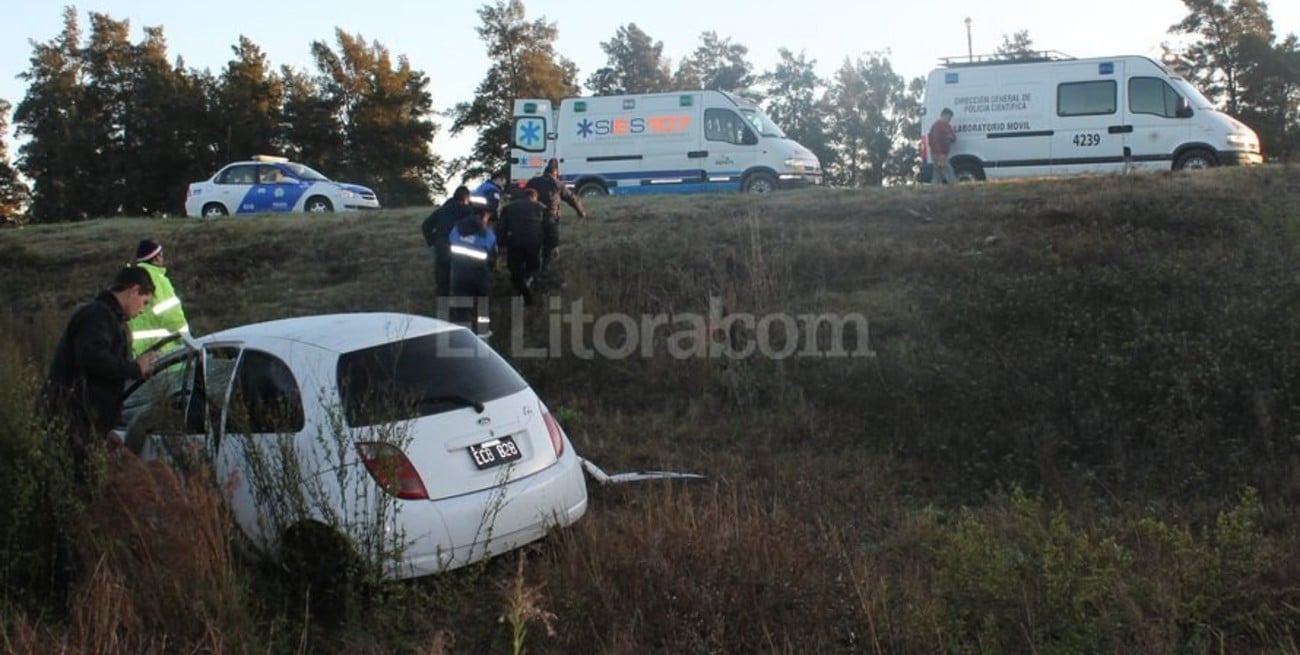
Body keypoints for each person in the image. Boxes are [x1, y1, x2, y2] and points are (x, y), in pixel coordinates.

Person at [41, 266, 158, 481]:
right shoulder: (98, 315)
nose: (143, 310)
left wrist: (103, 430)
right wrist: (134, 368)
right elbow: (92, 359)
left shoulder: (108, 317)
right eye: (144, 302)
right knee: (77, 486)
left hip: (82, 422)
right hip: (71, 420)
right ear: (133, 290)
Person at [128, 239, 190, 357]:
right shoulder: (158, 280)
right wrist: (189, 342)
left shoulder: (132, 280)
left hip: (140, 355)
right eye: (161, 255)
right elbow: (171, 316)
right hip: (166, 353)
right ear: (156, 258)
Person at [525, 158, 586, 275]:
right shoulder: (557, 183)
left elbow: (523, 197)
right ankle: (545, 269)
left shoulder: (533, 181)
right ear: (555, 172)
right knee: (549, 244)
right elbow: (571, 198)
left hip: (532, 218)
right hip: (550, 218)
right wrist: (581, 212)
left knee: (534, 244)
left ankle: (531, 271)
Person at [420, 186, 474, 313]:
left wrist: (432, 240)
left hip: (442, 246)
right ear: (466, 198)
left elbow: (426, 225)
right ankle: (460, 313)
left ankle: (443, 313)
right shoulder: (468, 210)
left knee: (442, 281)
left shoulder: (442, 210)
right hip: (460, 247)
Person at [447, 205, 498, 336]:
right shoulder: (487, 233)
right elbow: (493, 256)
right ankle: (483, 331)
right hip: (479, 275)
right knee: (483, 304)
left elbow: (450, 243)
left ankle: (463, 335)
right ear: (483, 216)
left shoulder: (457, 229)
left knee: (461, 306)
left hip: (458, 274)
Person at [496, 188, 547, 305]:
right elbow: (549, 227)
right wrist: (552, 244)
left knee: (514, 269)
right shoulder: (541, 207)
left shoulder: (509, 207)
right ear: (535, 197)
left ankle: (522, 289)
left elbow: (501, 228)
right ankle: (527, 284)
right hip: (534, 242)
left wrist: (501, 244)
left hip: (514, 241)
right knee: (533, 267)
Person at [928, 107, 958, 185]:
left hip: (943, 153)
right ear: (944, 115)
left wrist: (951, 137)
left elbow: (954, 137)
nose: (950, 119)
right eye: (949, 117)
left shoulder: (947, 126)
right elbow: (935, 141)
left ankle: (934, 187)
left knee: (938, 173)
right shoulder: (936, 126)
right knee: (948, 170)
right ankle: (955, 187)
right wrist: (940, 155)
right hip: (938, 154)